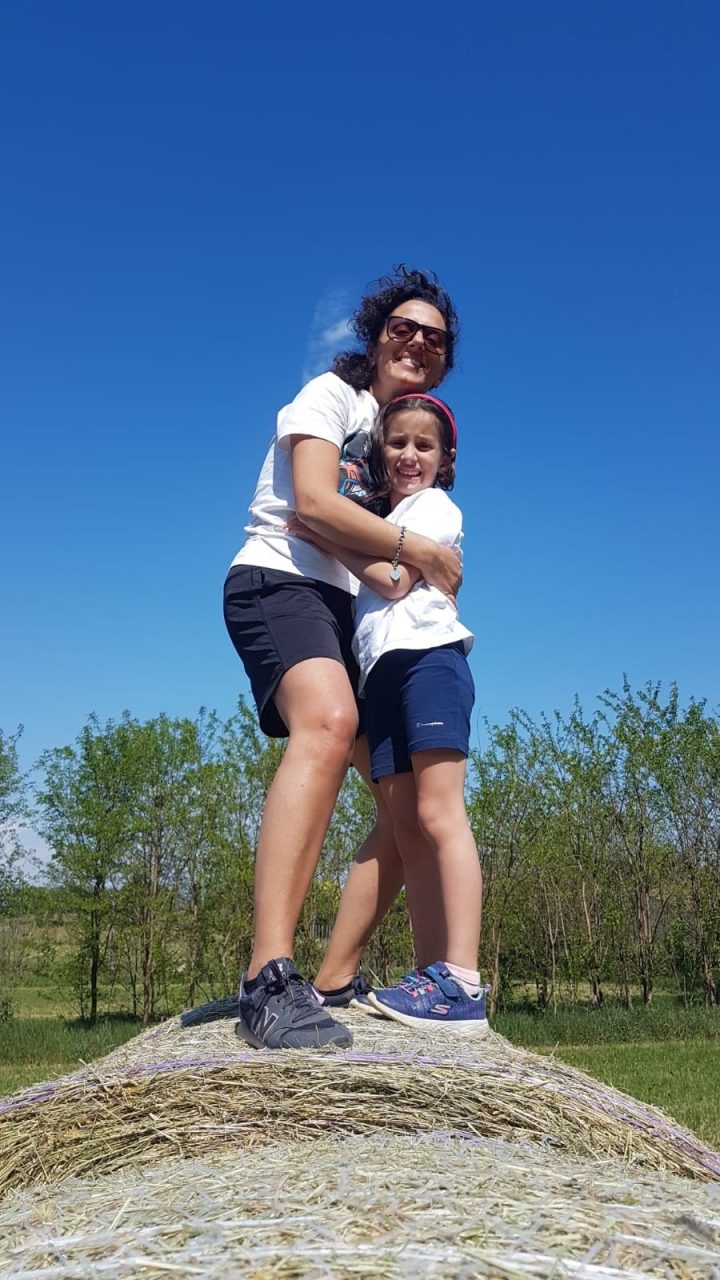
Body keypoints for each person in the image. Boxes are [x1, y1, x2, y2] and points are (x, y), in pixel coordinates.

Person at [223, 267, 461, 1050]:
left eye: (435, 337)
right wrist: (417, 547)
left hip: (346, 617)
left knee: (406, 805)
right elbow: (314, 501)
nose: (417, 342)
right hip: (278, 581)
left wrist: (410, 557)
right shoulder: (330, 396)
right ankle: (267, 978)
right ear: (376, 335)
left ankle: (334, 977)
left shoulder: (401, 450)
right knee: (328, 722)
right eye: (403, 327)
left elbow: (385, 564)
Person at [292, 393, 488, 1034]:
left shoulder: (434, 509)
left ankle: (463, 978)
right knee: (405, 827)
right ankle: (431, 974)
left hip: (430, 663)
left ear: (444, 461)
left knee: (437, 813)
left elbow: (396, 581)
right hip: (384, 677)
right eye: (397, 442)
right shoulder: (387, 521)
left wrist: (325, 532)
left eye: (423, 446)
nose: (408, 455)